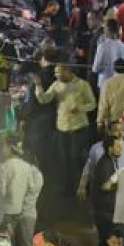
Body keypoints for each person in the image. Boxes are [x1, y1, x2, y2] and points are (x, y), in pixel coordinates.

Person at [35, 64, 97, 195]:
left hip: (79, 128)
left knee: (77, 157)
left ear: (68, 71)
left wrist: (80, 108)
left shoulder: (82, 85)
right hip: (62, 128)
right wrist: (38, 86)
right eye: (56, 73)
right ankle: (67, 188)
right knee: (64, 159)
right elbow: (44, 100)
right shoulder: (56, 85)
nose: (57, 75)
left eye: (59, 73)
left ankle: (82, 185)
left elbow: (92, 104)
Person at [0, 146, 45, 246]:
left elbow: (31, 190)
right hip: (23, 213)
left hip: (26, 213)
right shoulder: (32, 171)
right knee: (20, 245)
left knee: (24, 245)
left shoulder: (34, 173)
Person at [93, 18, 124, 89]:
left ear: (107, 29)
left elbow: (95, 68)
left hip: (104, 83)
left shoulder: (102, 46)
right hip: (121, 85)